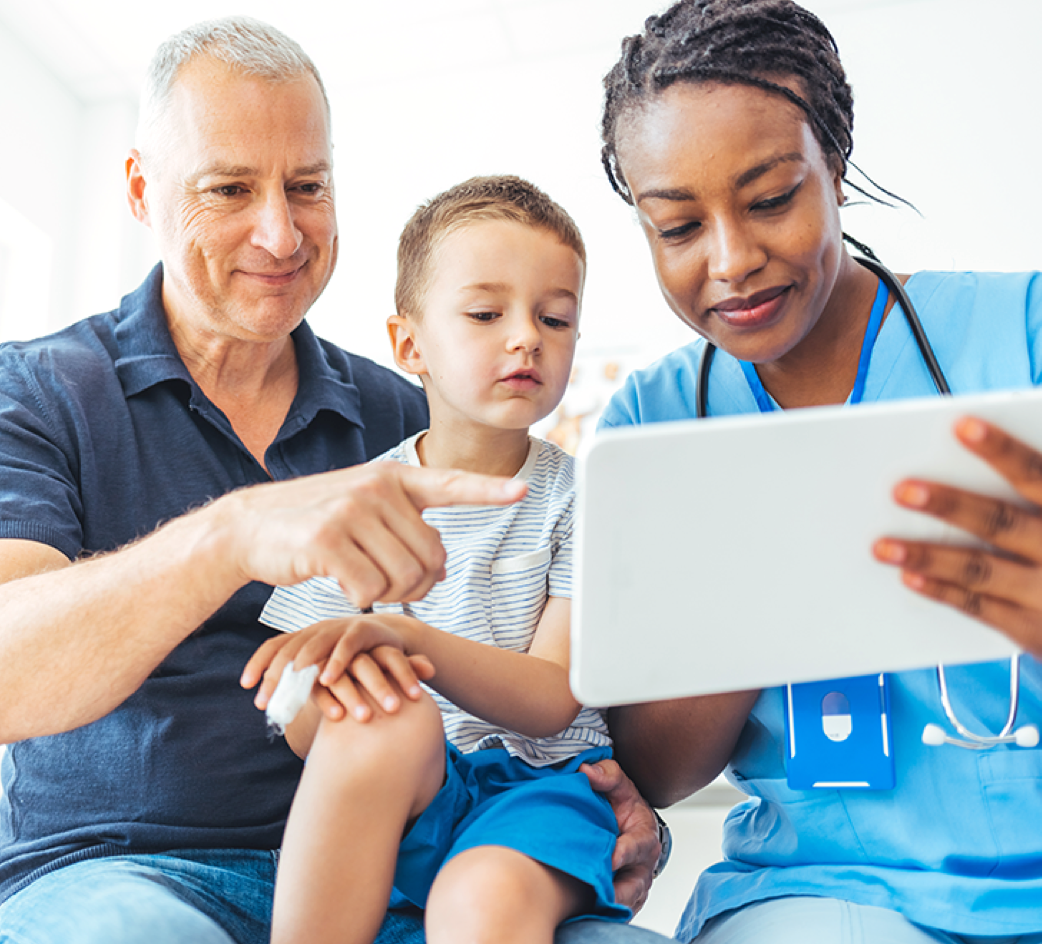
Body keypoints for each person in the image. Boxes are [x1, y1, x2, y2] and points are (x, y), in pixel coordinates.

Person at [0, 18, 661, 944]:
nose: (280, 231)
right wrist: (231, 534)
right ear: (144, 190)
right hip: (129, 871)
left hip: (414, 862)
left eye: (307, 187)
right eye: (229, 188)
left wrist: (610, 800)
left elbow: (537, 680)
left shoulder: (415, 422)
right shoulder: (40, 391)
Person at [576, 1, 1042, 943]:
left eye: (772, 199)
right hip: (822, 894)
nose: (732, 261)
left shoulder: (1032, 337)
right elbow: (654, 772)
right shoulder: (651, 427)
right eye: (678, 227)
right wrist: (751, 604)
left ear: (837, 168)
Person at [241, 175, 636, 944]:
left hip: (542, 794)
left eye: (555, 318)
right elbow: (298, 722)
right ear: (409, 345)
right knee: (375, 716)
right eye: (487, 314)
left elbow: (556, 697)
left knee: (479, 900)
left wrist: (407, 642)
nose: (526, 336)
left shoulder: (582, 498)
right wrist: (326, 683)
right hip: (413, 790)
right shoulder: (354, 500)